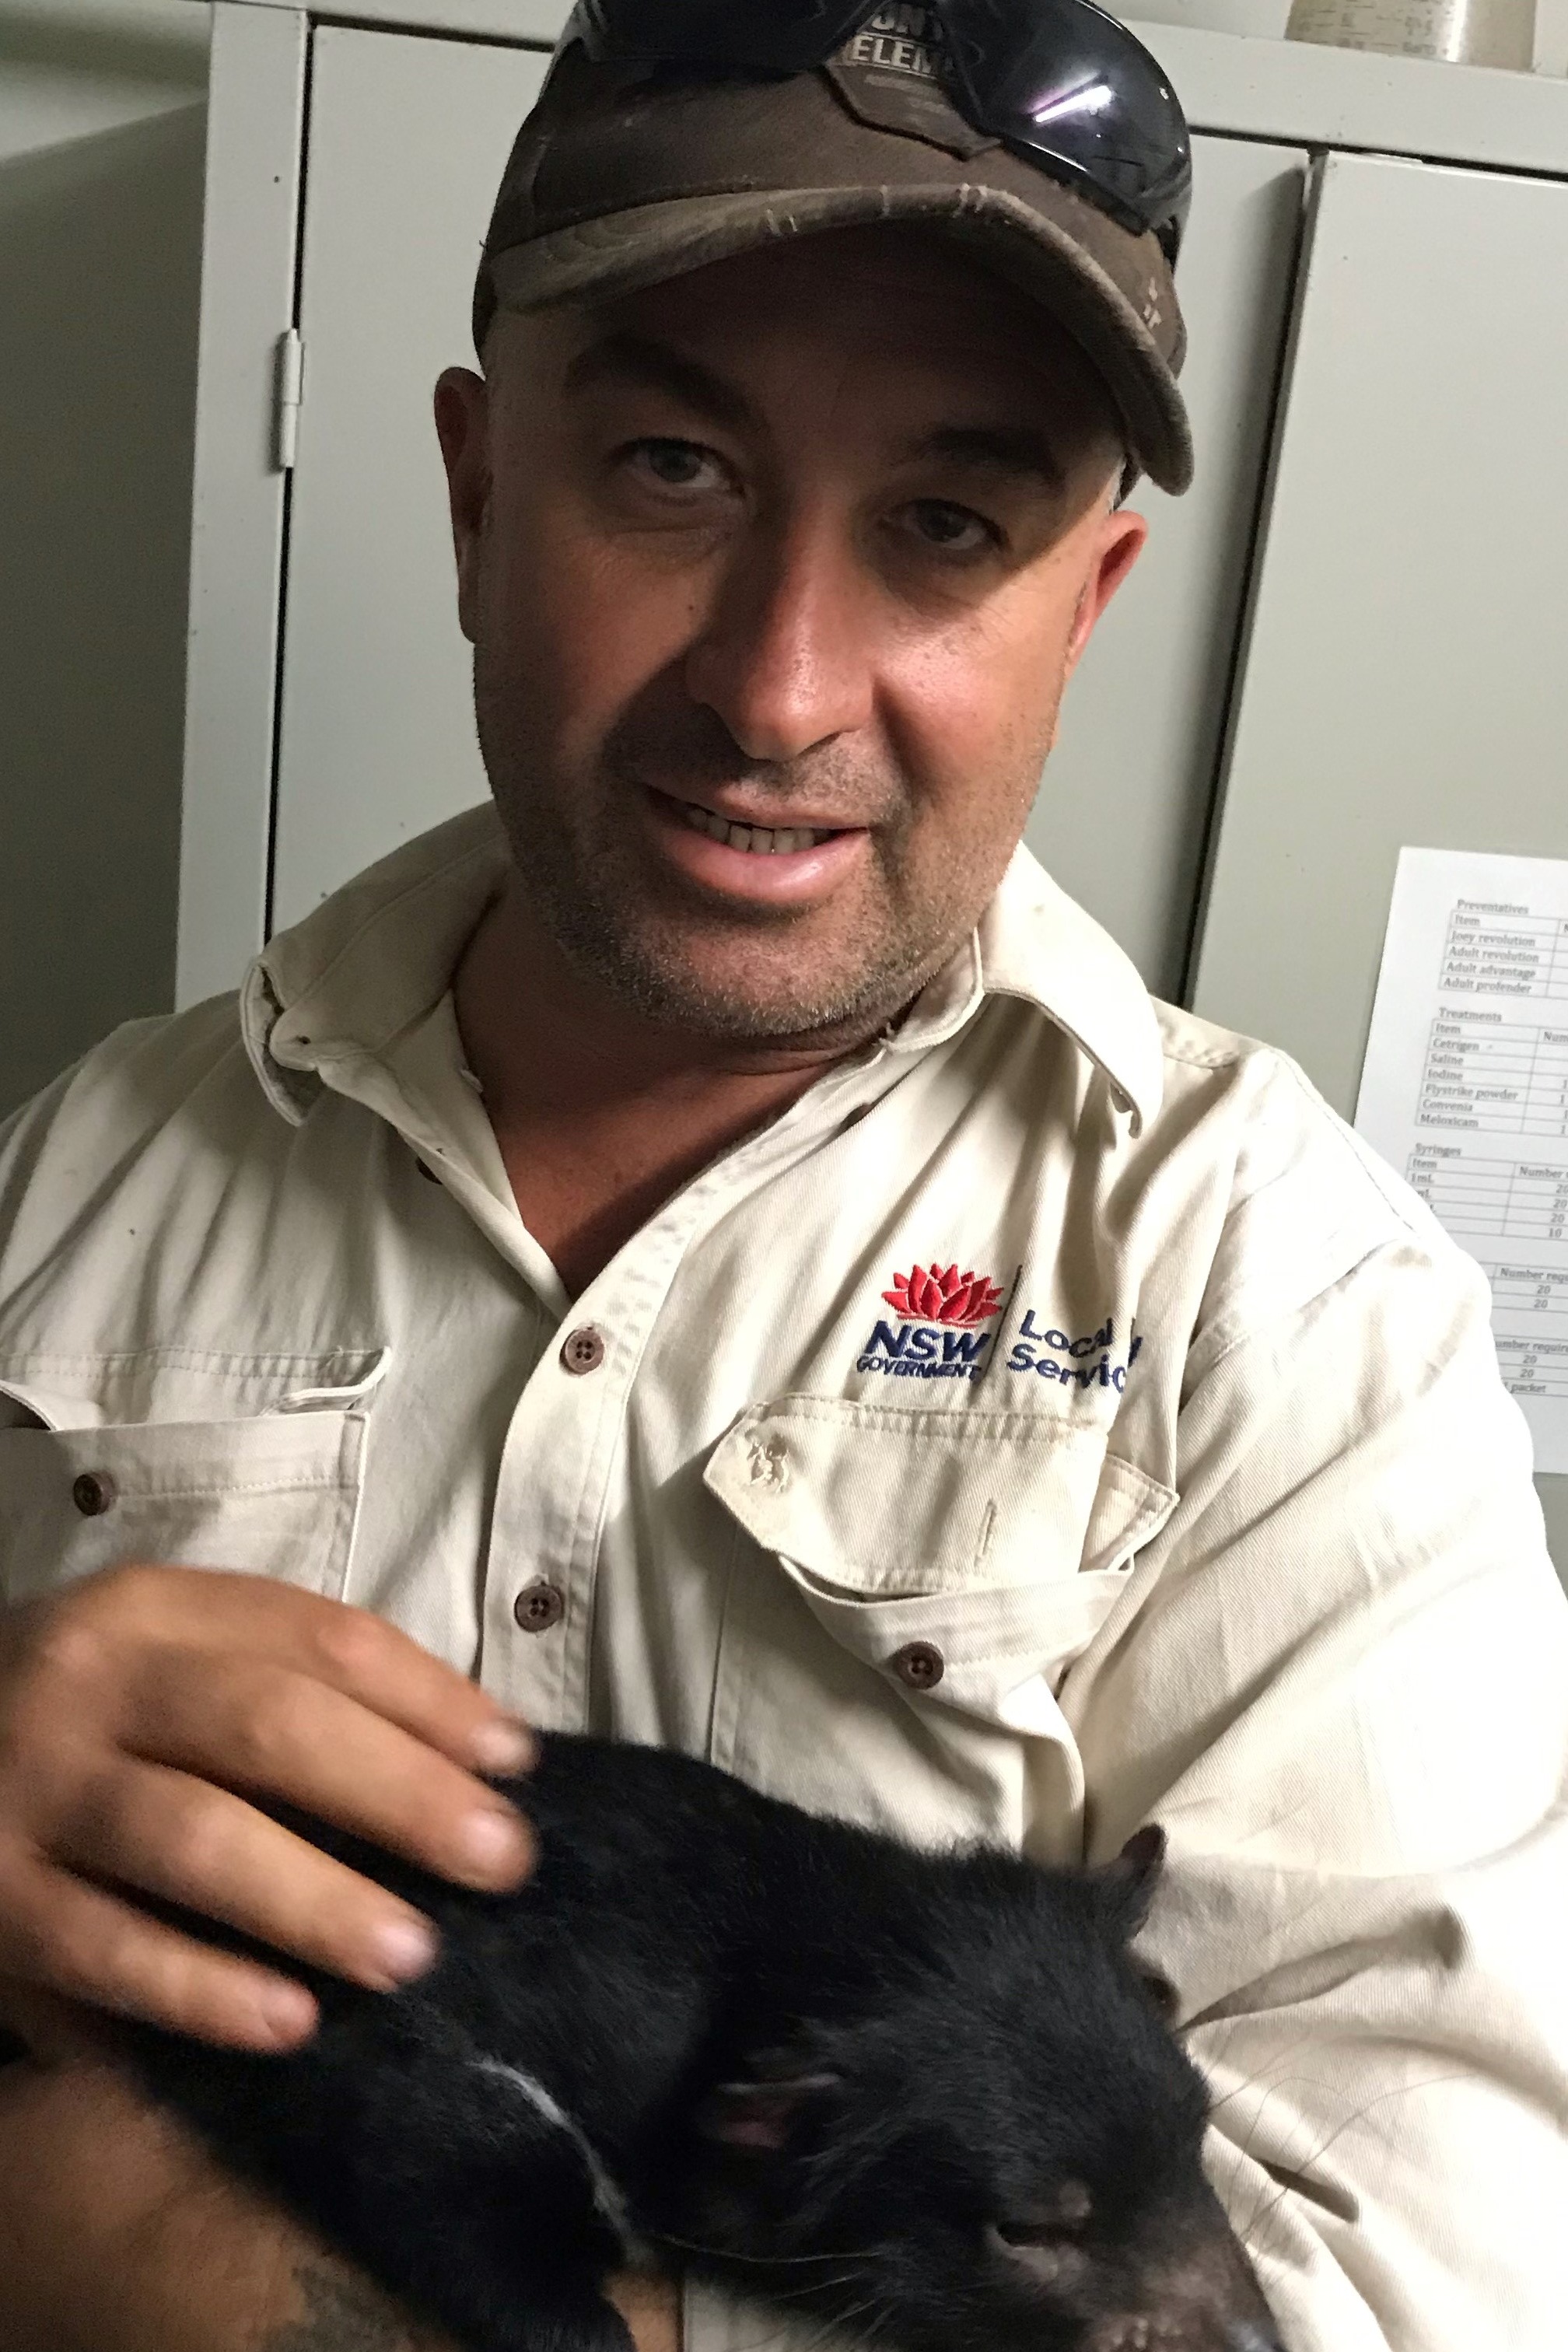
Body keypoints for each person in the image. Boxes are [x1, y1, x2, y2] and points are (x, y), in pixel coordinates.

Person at [0, 5, 1563, 2349]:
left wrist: (159, 2253)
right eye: (667, 465)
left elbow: (1421, 2294)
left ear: (1085, 610)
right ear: (468, 496)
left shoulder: (1299, 1319)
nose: (783, 686)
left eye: (947, 522)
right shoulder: (78, 1182)